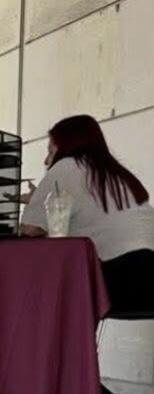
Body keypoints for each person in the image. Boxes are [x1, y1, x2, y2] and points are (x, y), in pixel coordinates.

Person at [21, 114, 154, 330]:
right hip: (148, 279)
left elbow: (30, 230)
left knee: (46, 295)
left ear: (65, 146)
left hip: (117, 280)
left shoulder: (66, 166)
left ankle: (59, 360)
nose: (46, 160)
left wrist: (34, 203)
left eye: (50, 151)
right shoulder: (118, 174)